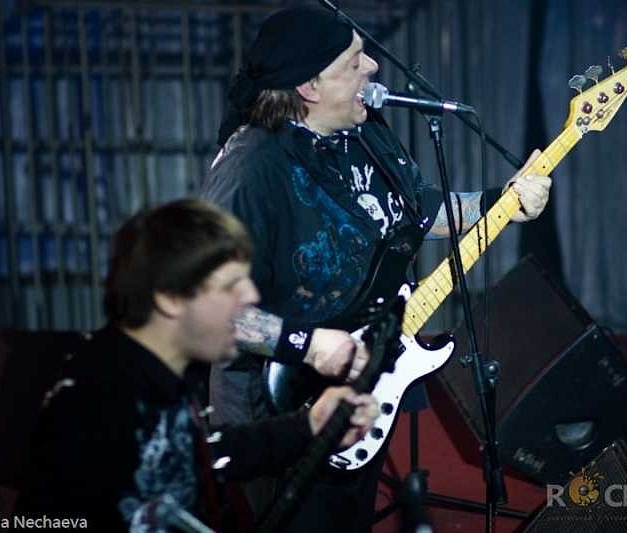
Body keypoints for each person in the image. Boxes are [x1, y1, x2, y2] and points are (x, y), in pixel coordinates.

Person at [200, 6, 552, 532]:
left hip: (362, 387)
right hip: (280, 412)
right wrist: (310, 345)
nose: (373, 67)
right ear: (310, 87)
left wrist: (501, 201)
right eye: (354, 62)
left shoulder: (365, 131)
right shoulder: (251, 171)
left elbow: (418, 211)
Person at [15, 199, 379, 532]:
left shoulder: (158, 377)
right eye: (230, 286)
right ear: (169, 298)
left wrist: (308, 426)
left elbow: (200, 454)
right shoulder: (95, 403)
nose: (252, 297)